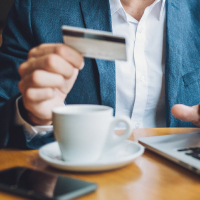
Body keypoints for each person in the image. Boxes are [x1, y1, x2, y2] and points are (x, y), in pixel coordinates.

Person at [0, 0, 200, 149]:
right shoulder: (36, 9)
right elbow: (4, 110)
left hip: (179, 182)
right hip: (76, 181)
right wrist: (33, 117)